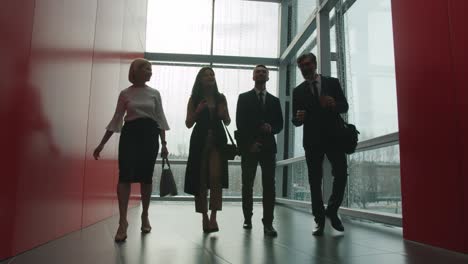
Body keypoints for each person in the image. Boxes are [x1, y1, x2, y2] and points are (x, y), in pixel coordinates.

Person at [93, 58, 170, 242]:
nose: (150, 72)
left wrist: (164, 144)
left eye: (151, 69)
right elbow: (117, 119)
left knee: (146, 177)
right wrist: (102, 143)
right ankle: (122, 222)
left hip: (150, 136)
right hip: (130, 135)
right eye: (146, 69)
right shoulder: (125, 93)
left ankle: (145, 215)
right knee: (125, 176)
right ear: (135, 70)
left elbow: (160, 119)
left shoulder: (155, 93)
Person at [292, 53, 349, 236]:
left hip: (334, 138)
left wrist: (334, 103)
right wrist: (298, 118)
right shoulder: (298, 91)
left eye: (308, 64)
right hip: (312, 140)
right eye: (301, 67)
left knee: (340, 174)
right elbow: (295, 119)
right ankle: (319, 219)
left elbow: (344, 106)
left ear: (315, 64)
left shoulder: (332, 83)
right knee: (314, 181)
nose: (305, 68)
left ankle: (332, 210)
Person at [236, 65, 283, 237]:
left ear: (268, 77)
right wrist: (250, 144)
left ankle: (268, 223)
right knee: (247, 184)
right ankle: (247, 218)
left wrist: (272, 128)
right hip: (249, 148)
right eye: (258, 71)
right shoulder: (243, 98)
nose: (261, 73)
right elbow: (240, 124)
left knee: (269, 186)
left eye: (264, 72)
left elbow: (280, 124)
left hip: (269, 149)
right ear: (253, 76)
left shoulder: (275, 101)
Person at [184, 67, 230, 233]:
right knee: (200, 179)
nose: (210, 76)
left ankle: (214, 217)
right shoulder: (195, 98)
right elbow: (188, 123)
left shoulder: (221, 97)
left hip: (218, 141)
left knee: (216, 177)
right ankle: (204, 217)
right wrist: (197, 111)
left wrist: (224, 113)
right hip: (199, 141)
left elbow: (228, 121)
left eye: (212, 74)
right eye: (207, 75)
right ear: (200, 80)